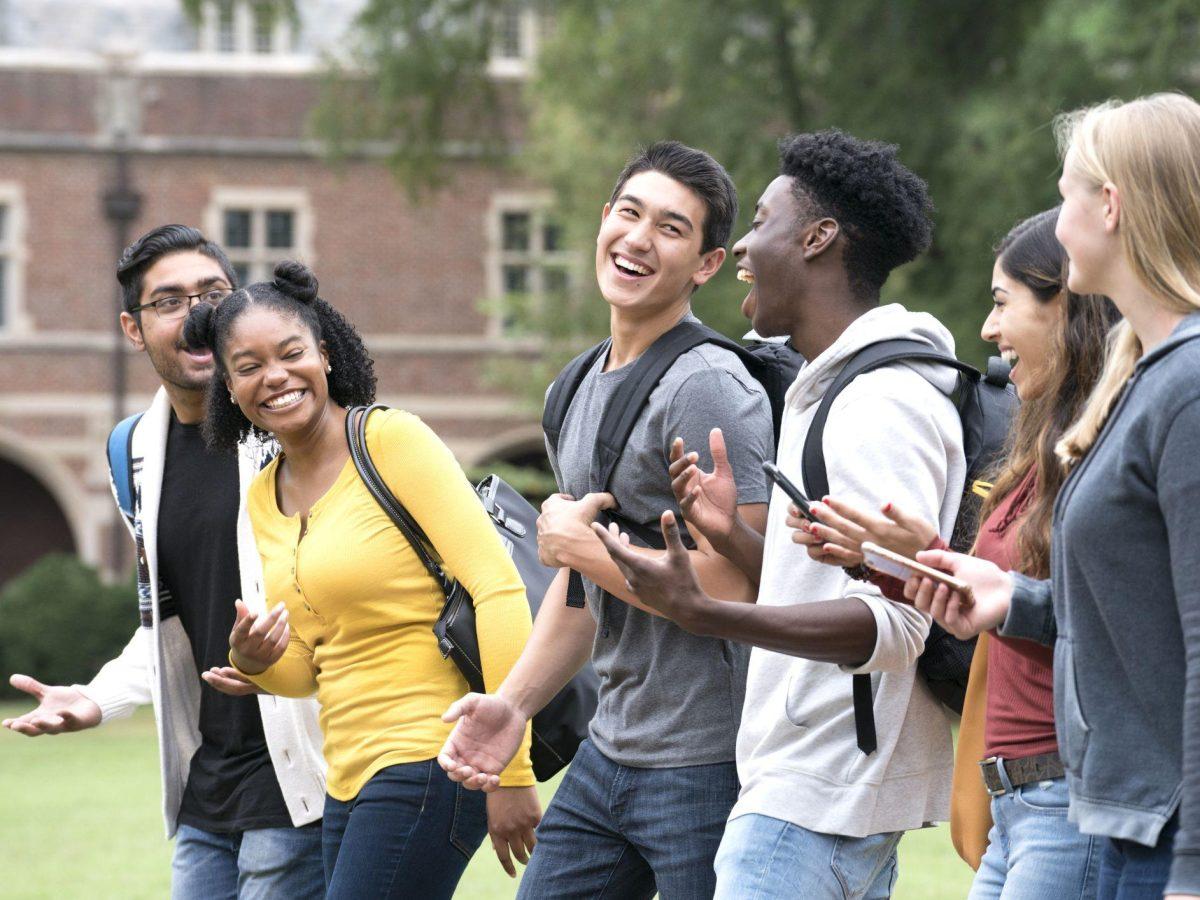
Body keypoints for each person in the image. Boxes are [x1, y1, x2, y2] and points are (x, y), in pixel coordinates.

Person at [593, 130, 966, 899]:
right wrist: (733, 535)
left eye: (760, 221)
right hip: (805, 790)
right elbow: (845, 593)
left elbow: (899, 627)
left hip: (813, 797)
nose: (741, 249)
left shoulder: (878, 402)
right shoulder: (827, 391)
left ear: (818, 238)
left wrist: (706, 613)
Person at [437, 141, 774, 899]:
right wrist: (513, 706)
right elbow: (583, 593)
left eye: (671, 228)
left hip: (708, 762)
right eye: (629, 213)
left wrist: (586, 552)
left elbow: (742, 586)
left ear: (707, 264)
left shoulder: (709, 386)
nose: (638, 239)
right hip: (609, 750)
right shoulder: (575, 386)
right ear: (602, 220)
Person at [900, 93, 1200, 900]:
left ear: (1111, 205)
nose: (1056, 214)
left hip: (1152, 833)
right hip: (1118, 820)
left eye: (1065, 190)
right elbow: (1137, 610)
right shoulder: (1143, 381)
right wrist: (1011, 601)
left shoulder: (1189, 387)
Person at [785, 208, 1120, 898]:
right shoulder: (1042, 451)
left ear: (1067, 307)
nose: (989, 330)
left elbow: (1115, 618)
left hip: (1068, 800)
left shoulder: (1112, 449)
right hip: (1014, 805)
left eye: (1003, 304)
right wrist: (894, 558)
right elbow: (993, 600)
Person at [183, 260, 540, 899]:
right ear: (230, 388)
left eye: (291, 353)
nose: (275, 377)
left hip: (437, 753)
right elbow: (309, 666)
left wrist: (511, 769)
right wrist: (256, 661)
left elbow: (498, 590)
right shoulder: (264, 495)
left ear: (323, 355)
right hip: (345, 778)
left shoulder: (390, 440)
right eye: (249, 366)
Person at [1, 225, 326, 899]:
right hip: (206, 787)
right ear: (132, 327)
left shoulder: (292, 430)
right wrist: (97, 699)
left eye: (214, 293)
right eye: (171, 301)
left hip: (300, 778)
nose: (199, 314)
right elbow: (171, 628)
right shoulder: (134, 453)